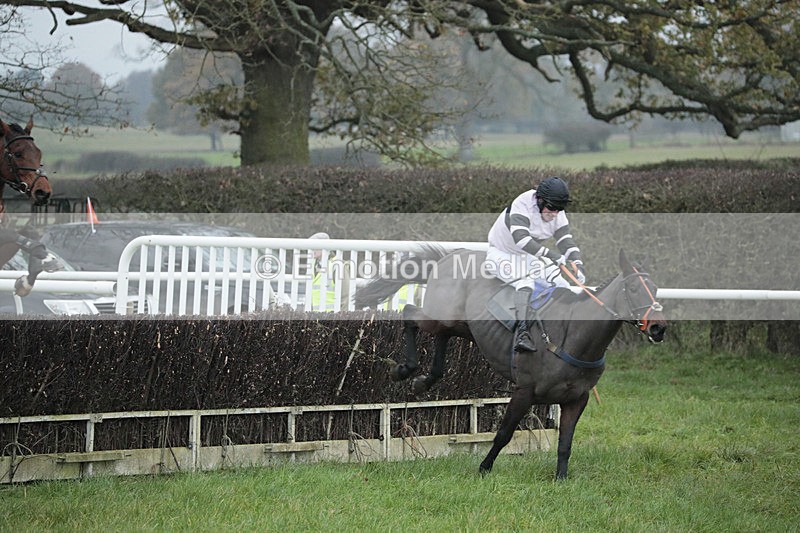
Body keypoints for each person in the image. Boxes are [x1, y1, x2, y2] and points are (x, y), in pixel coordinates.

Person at [485, 176, 585, 352]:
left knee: (561, 283)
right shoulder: (522, 204)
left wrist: (577, 263)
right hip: (500, 253)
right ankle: (522, 335)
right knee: (525, 283)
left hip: (527, 257)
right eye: (552, 208)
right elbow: (521, 240)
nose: (555, 213)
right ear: (539, 200)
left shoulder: (556, 212)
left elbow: (565, 241)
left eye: (559, 209)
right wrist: (553, 256)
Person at [307, 232, 353, 311]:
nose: (312, 249)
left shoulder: (337, 265)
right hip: (316, 317)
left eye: (315, 246)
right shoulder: (312, 264)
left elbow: (346, 297)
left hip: (332, 318)